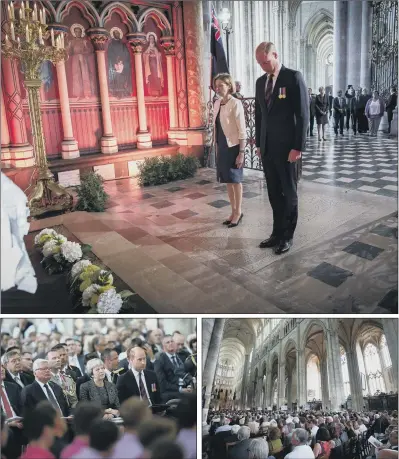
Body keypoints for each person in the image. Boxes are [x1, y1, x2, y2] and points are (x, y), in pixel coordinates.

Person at [255, 41, 308, 254]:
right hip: (268, 149)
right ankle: (276, 233)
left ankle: (288, 236)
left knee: (289, 193)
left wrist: (298, 147)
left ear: (275, 54)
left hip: (287, 150)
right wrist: (259, 143)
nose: (262, 66)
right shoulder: (260, 82)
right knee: (274, 193)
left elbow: (303, 115)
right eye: (259, 63)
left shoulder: (293, 77)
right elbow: (260, 115)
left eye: (265, 61)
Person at [213, 73, 246, 228]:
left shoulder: (235, 103)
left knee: (236, 180)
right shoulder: (217, 103)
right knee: (228, 180)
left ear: (229, 85)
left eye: (221, 85)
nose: (217, 88)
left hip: (233, 147)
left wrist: (242, 152)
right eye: (216, 85)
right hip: (222, 146)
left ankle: (238, 212)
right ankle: (233, 211)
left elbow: (242, 130)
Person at [154, 335, 192, 403]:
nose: (170, 343)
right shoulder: (160, 361)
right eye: (167, 342)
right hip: (170, 393)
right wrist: (180, 389)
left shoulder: (182, 357)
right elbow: (162, 384)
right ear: (163, 346)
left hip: (184, 389)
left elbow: (186, 374)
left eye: (172, 341)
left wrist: (189, 385)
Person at [143, 32, 164, 96]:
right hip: (149, 66)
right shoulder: (147, 47)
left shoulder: (156, 47)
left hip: (156, 66)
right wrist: (148, 54)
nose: (151, 40)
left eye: (152, 38)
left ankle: (158, 92)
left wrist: (156, 54)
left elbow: (160, 55)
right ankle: (151, 92)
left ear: (154, 39)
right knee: (151, 78)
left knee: (157, 77)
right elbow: (144, 55)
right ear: (148, 39)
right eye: (150, 38)